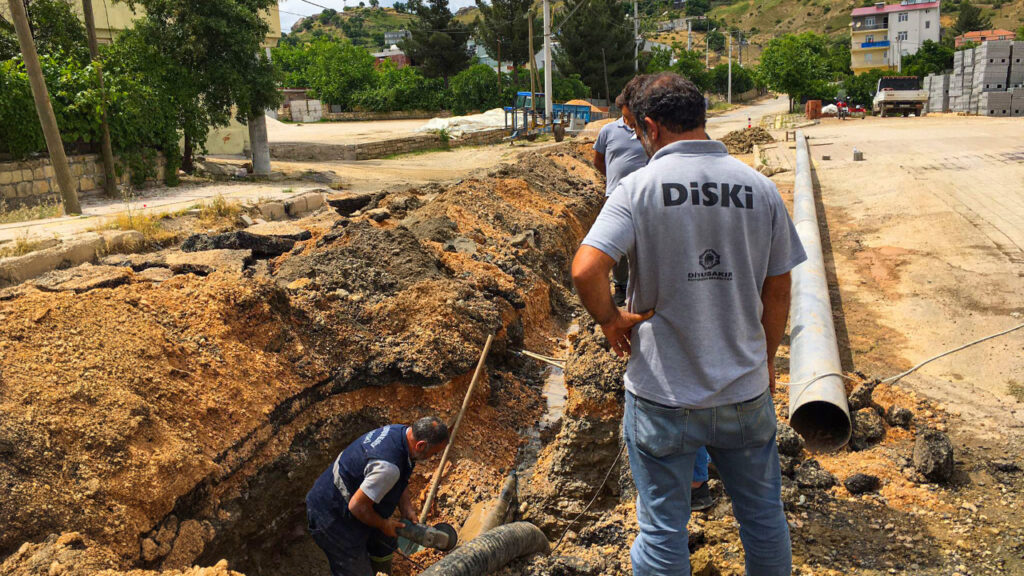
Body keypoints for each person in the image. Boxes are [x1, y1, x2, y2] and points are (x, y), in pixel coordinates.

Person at [571, 72, 806, 575]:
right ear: (701, 118)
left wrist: (611, 321)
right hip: (743, 391)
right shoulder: (760, 189)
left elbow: (586, 268)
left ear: (651, 128)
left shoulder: (637, 188)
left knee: (662, 532)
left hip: (662, 394)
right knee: (764, 519)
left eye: (639, 132)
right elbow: (779, 287)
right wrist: (764, 361)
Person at [305, 417, 449, 576]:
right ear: (420, 445)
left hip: (353, 498)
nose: (433, 457)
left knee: (385, 542)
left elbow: (400, 476)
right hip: (331, 514)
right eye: (433, 453)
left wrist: (406, 508)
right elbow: (357, 506)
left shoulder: (400, 433)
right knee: (354, 570)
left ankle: (381, 571)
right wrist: (383, 524)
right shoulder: (387, 467)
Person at [593, 78, 649, 307]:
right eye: (625, 116)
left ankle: (644, 286)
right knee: (618, 245)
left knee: (644, 243)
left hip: (645, 197)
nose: (628, 121)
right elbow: (598, 161)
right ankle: (621, 286)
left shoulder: (648, 131)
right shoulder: (608, 131)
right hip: (615, 196)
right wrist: (614, 182)